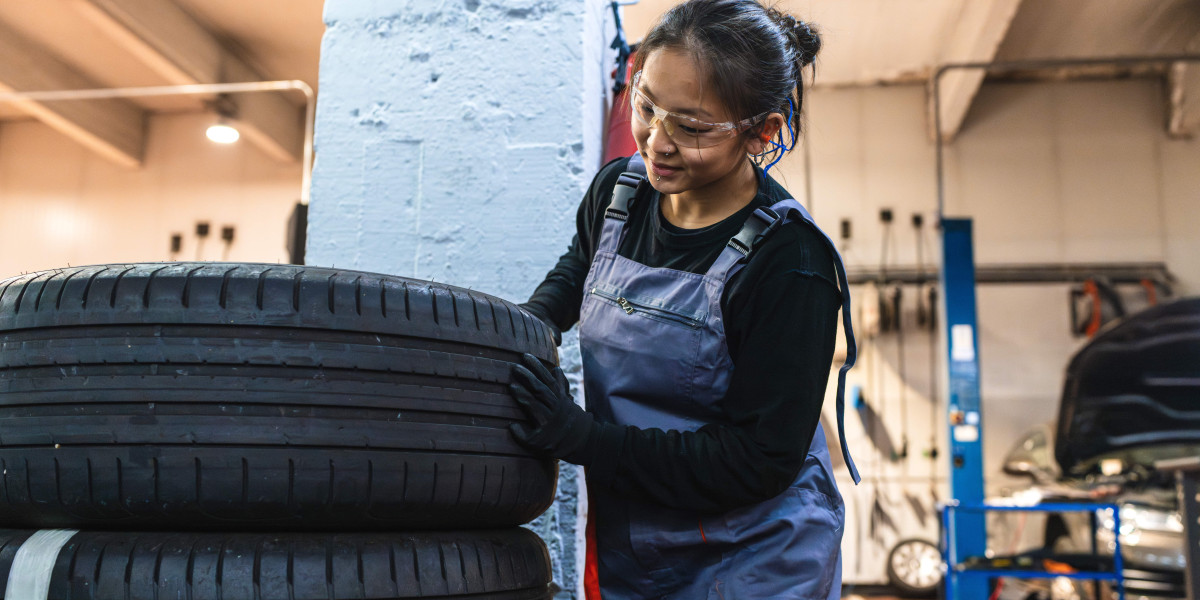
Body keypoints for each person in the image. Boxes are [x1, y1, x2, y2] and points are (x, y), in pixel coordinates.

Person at [509, 1, 859, 598]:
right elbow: (579, 272)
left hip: (759, 557)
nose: (657, 141)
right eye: (646, 106)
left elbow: (759, 459)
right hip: (642, 538)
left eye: (691, 128)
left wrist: (584, 439)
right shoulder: (619, 193)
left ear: (761, 132)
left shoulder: (790, 264)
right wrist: (517, 329)